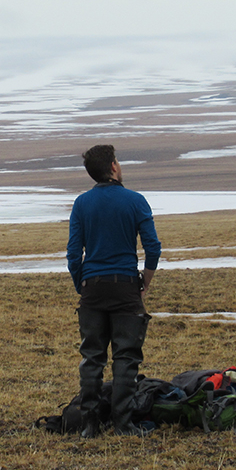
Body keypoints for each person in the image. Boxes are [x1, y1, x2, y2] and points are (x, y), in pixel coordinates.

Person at [67, 144, 161, 437]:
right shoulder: (135, 201)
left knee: (92, 357)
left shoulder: (82, 203)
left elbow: (73, 254)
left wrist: (82, 284)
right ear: (113, 168)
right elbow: (153, 247)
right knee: (126, 356)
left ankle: (90, 425)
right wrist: (145, 280)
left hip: (92, 289)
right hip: (125, 289)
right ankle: (123, 424)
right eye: (117, 161)